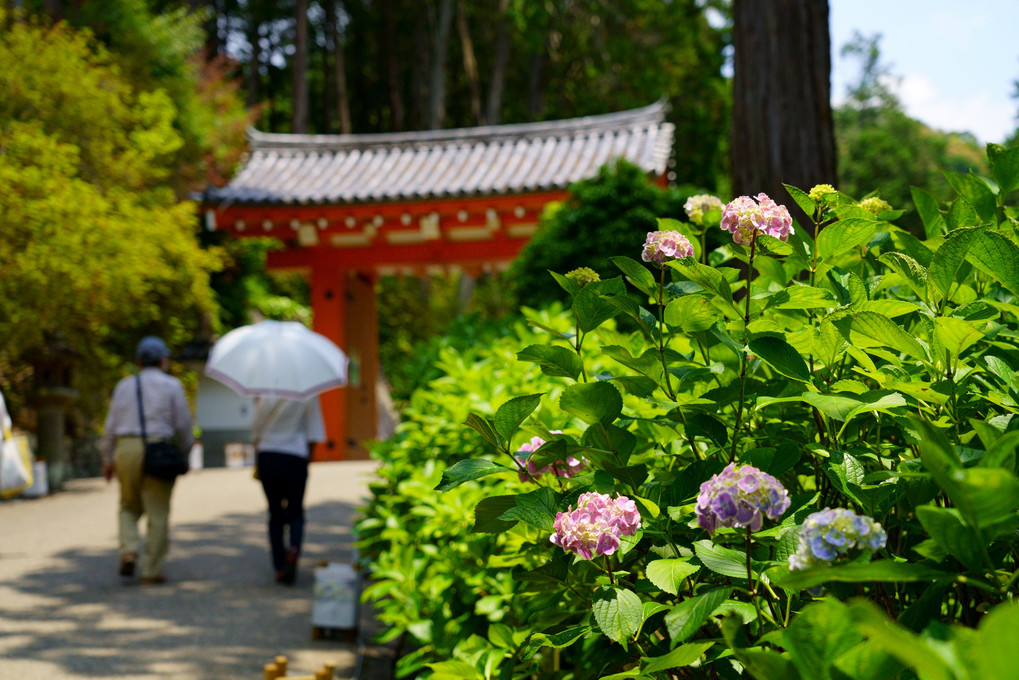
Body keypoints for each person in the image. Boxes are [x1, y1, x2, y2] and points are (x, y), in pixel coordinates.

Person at [100, 336, 193, 585]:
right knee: (158, 513)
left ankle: (129, 550)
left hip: (127, 448)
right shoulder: (172, 385)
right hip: (160, 449)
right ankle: (151, 571)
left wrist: (108, 458)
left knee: (128, 506)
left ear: (138, 361)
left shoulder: (123, 386)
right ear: (164, 360)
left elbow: (109, 427)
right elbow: (183, 425)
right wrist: (185, 453)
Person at [251, 395, 325, 585]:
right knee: (295, 512)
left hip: (268, 455)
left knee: (275, 513)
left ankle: (279, 566)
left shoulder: (266, 389)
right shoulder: (308, 391)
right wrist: (308, 460)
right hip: (295, 456)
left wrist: (257, 460)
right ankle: (293, 550)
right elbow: (314, 432)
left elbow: (256, 429)